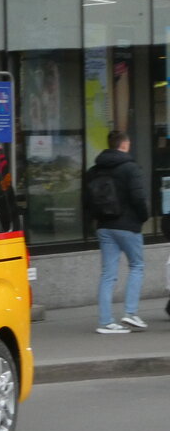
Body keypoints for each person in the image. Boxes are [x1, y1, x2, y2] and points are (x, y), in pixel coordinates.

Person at [88, 130, 149, 334]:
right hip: (128, 226)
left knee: (108, 274)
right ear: (124, 145)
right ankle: (130, 314)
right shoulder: (130, 168)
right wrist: (143, 217)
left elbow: (86, 200)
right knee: (137, 266)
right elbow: (139, 197)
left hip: (104, 226)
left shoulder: (95, 170)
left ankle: (106, 322)